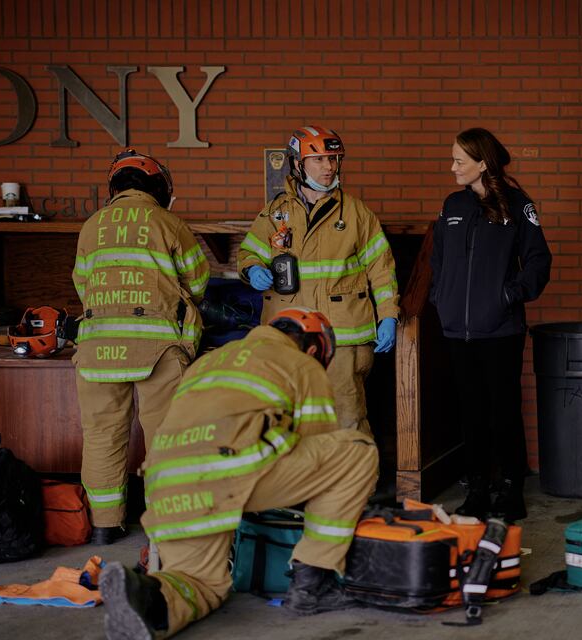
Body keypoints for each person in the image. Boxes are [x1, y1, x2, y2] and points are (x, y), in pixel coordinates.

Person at [99, 308, 379, 639]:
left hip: (165, 481)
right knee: (356, 451)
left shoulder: (207, 363)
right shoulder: (302, 364)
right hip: (231, 472)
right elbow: (318, 449)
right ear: (316, 349)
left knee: (201, 582)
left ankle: (148, 598)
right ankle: (313, 583)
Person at [72, 149, 209, 545]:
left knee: (100, 436)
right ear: (159, 188)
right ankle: (164, 525)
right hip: (159, 350)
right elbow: (198, 284)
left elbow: (82, 285)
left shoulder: (91, 226)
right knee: (166, 437)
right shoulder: (169, 222)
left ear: (114, 187)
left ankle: (104, 526)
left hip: (97, 350)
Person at [237, 125, 399, 438]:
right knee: (290, 416)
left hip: (344, 335)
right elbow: (248, 255)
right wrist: (253, 270)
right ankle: (302, 486)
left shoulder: (356, 213)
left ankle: (353, 486)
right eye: (319, 160)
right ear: (297, 164)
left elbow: (381, 268)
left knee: (347, 416)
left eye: (334, 159)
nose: (329, 167)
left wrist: (389, 315)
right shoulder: (275, 213)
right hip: (289, 334)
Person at [429, 128, 552, 522]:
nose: (452, 168)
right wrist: (440, 297)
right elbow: (438, 262)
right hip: (457, 331)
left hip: (500, 330)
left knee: (503, 411)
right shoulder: (451, 205)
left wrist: (507, 295)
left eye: (459, 161)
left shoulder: (518, 205)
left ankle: (512, 487)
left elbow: (538, 262)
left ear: (483, 164)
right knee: (470, 412)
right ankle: (478, 487)